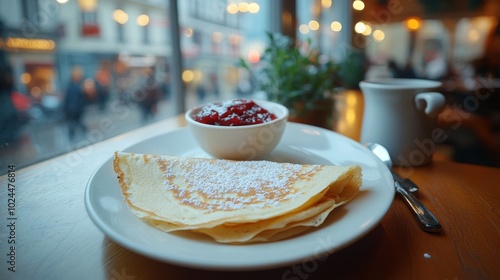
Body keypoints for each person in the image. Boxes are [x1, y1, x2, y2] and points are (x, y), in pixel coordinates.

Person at [63, 66, 87, 140]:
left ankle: (74, 136)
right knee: (74, 123)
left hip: (75, 108)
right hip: (74, 109)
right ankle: (73, 136)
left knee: (75, 123)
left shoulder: (75, 85)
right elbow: (73, 99)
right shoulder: (74, 86)